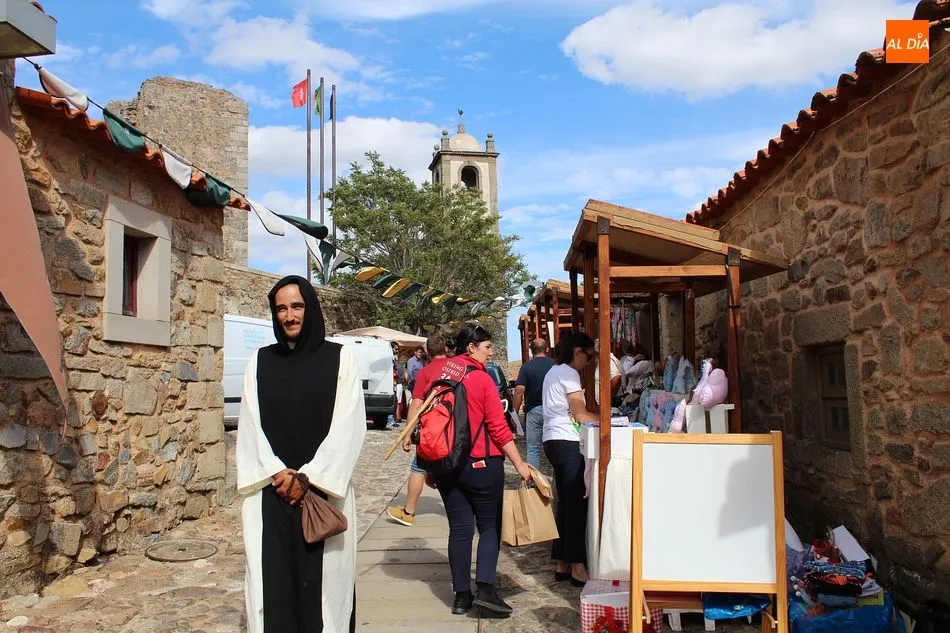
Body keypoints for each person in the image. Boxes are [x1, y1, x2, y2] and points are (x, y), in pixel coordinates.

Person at [236, 275, 367, 633]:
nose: (289, 315)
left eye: (297, 306)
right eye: (281, 308)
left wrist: (309, 477)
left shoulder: (340, 359)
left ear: (310, 307)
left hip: (323, 494)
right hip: (272, 492)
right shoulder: (260, 361)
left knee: (326, 594)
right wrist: (278, 472)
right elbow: (250, 425)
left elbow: (349, 423)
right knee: (271, 587)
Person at [427, 324, 532, 616]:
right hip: (481, 463)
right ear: (471, 348)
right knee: (489, 527)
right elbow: (498, 428)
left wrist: (430, 466)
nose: (491, 352)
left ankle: (461, 596)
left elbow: (428, 421)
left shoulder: (441, 376)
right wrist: (520, 464)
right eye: (487, 346)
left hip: (447, 466)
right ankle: (485, 589)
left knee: (460, 530)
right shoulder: (482, 380)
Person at [541, 331, 598, 587]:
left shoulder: (553, 372)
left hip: (552, 439)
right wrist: (607, 421)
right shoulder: (569, 373)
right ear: (577, 351)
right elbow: (579, 414)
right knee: (575, 503)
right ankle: (577, 565)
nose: (589, 361)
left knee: (565, 503)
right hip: (567, 440)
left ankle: (562, 562)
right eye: (589, 356)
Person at [387, 335, 450, 527]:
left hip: (433, 428)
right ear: (446, 349)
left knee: (418, 467)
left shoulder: (425, 372)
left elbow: (416, 404)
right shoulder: (456, 368)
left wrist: (408, 434)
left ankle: (409, 511)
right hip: (457, 427)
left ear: (428, 353)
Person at [512, 338, 555, 469]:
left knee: (533, 448)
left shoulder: (526, 367)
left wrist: (514, 413)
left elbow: (519, 391)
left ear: (531, 351)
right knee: (556, 446)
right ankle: (558, 478)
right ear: (547, 349)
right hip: (554, 410)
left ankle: (535, 478)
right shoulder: (555, 365)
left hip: (534, 410)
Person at [592, 338, 623, 407]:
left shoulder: (607, 360)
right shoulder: (607, 359)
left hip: (607, 405)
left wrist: (608, 396)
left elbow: (617, 377)